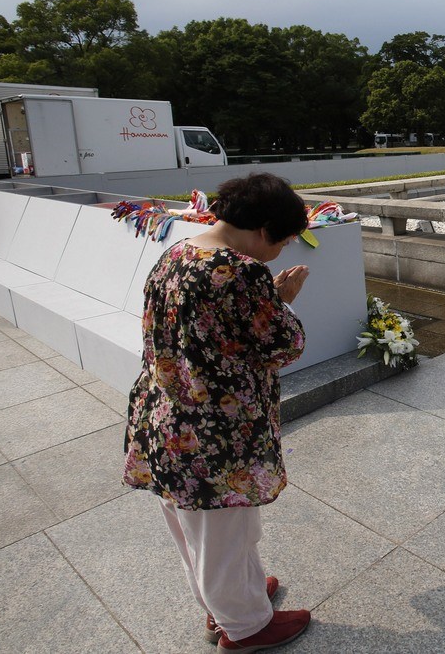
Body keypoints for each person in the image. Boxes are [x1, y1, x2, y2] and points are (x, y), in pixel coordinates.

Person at [123, 173, 313, 652]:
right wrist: (280, 301)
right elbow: (282, 343)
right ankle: (245, 626)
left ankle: (231, 601)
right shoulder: (238, 271)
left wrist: (262, 301)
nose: (284, 250)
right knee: (225, 530)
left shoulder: (180, 253)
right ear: (265, 228)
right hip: (215, 429)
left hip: (168, 416)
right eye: (286, 239)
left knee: (200, 528)